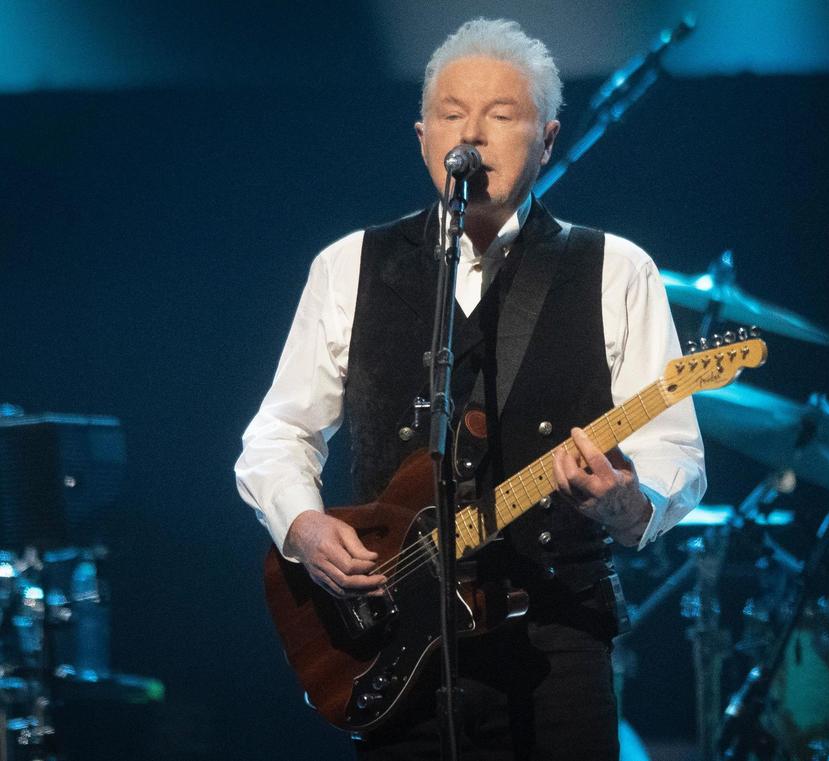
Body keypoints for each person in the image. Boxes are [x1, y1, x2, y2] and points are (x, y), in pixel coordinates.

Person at [235, 18, 705, 761]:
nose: (473, 134)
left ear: (548, 139)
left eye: (503, 114)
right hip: (396, 640)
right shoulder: (348, 265)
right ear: (422, 134)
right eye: (452, 114)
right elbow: (276, 434)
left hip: (558, 643)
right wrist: (304, 527)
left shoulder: (616, 267)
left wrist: (625, 500)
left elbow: (674, 447)